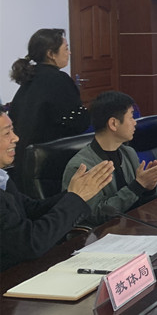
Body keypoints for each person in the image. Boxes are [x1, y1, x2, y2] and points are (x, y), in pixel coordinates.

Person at [0, 107, 114, 271]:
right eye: (7, 133)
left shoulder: (2, 178)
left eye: (13, 130)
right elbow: (30, 243)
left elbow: (31, 209)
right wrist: (76, 199)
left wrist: (74, 193)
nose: (16, 138)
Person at [61, 91, 157, 226]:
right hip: (102, 235)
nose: (135, 123)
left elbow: (139, 203)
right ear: (113, 123)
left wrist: (149, 187)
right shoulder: (81, 166)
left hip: (134, 228)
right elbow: (96, 215)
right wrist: (138, 185)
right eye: (131, 117)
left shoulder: (128, 152)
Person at [8, 28, 90, 190]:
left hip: (23, 162)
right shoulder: (58, 79)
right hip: (49, 164)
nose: (69, 53)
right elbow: (79, 123)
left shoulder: (29, 78)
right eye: (66, 48)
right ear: (51, 54)